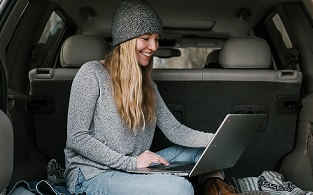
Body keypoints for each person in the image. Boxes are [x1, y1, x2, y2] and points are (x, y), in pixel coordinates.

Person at [64, 0, 238, 194]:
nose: (154, 46)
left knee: (207, 154)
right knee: (180, 189)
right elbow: (77, 138)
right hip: (93, 174)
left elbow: (174, 129)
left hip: (134, 168)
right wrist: (131, 163)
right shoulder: (91, 73)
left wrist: (216, 140)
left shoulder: (148, 86)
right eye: (146, 38)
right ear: (126, 40)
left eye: (156, 38)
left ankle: (216, 189)